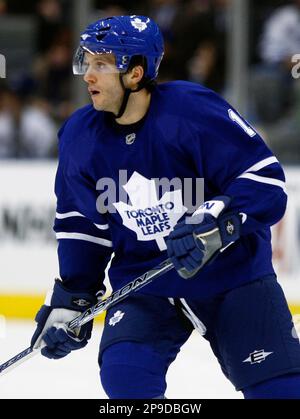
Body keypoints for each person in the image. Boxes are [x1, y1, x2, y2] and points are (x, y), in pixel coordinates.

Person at [30, 15, 300, 399]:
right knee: (126, 380)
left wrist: (216, 222)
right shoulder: (79, 136)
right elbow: (83, 228)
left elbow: (266, 182)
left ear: (135, 73)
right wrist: (74, 295)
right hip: (146, 286)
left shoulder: (192, 112)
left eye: (101, 64)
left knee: (283, 391)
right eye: (86, 63)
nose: (87, 75)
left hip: (232, 276)